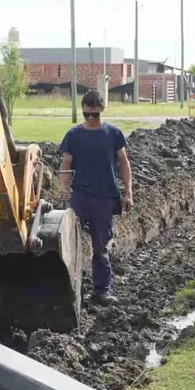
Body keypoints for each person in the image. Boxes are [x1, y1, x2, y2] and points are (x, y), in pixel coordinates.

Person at [59, 90, 133, 305]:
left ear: (102, 110)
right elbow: (65, 163)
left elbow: (123, 163)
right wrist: (63, 188)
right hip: (80, 197)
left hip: (105, 197)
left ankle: (102, 291)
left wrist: (128, 192)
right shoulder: (73, 135)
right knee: (69, 243)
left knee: (100, 247)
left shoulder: (113, 134)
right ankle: (69, 291)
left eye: (95, 115)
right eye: (86, 115)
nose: (90, 119)